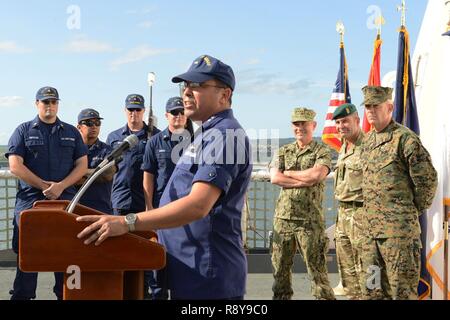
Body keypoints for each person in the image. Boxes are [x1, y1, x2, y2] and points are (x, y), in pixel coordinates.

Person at [77, 54, 252, 300]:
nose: (187, 92)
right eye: (186, 86)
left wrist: (126, 222)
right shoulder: (206, 134)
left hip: (207, 272)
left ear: (225, 95)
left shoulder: (225, 135)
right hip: (188, 267)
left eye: (198, 86)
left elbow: (198, 205)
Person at [6, 86, 88, 300]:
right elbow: (15, 165)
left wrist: (60, 186)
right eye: (45, 102)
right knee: (27, 254)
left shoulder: (71, 132)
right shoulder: (23, 130)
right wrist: (44, 186)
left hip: (65, 201)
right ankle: (23, 296)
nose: (49, 105)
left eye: (53, 101)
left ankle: (66, 295)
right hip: (30, 203)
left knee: (67, 251)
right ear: (37, 104)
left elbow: (82, 165)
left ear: (58, 104)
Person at [360, 86, 437, 300]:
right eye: (367, 106)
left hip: (398, 237)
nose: (371, 110)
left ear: (390, 107)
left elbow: (427, 182)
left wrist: (406, 213)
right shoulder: (366, 142)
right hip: (370, 237)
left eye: (376, 105)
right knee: (371, 291)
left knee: (401, 293)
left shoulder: (405, 140)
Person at [269, 107, 335, 300]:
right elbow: (275, 178)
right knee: (280, 272)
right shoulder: (283, 151)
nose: (300, 128)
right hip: (283, 219)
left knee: (317, 273)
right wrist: (303, 179)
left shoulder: (322, 151)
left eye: (304, 124)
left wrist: (288, 173)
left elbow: (317, 175)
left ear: (313, 125)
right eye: (296, 124)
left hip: (310, 221)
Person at [141, 96, 190, 300]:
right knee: (159, 265)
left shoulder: (198, 141)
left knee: (185, 261)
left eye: (181, 112)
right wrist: (149, 208)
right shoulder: (154, 142)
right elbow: (148, 176)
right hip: (161, 209)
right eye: (174, 113)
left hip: (188, 209)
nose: (178, 116)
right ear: (166, 116)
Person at [106, 94, 160, 216]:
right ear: (125, 110)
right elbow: (108, 169)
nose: (134, 113)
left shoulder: (156, 136)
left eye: (138, 109)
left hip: (147, 202)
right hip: (120, 199)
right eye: (130, 109)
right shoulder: (114, 137)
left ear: (144, 111)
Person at [332, 103, 365, 300]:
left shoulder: (368, 146)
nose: (341, 126)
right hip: (343, 217)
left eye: (345, 121)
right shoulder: (344, 146)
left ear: (357, 120)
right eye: (338, 122)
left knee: (367, 272)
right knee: (347, 273)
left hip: (362, 217)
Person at [75, 108, 115, 214]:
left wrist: (78, 172)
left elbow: (107, 174)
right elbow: (65, 175)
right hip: (75, 208)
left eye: (97, 123)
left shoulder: (107, 150)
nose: (94, 126)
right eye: (89, 123)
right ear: (79, 127)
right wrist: (96, 174)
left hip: (101, 209)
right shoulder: (71, 150)